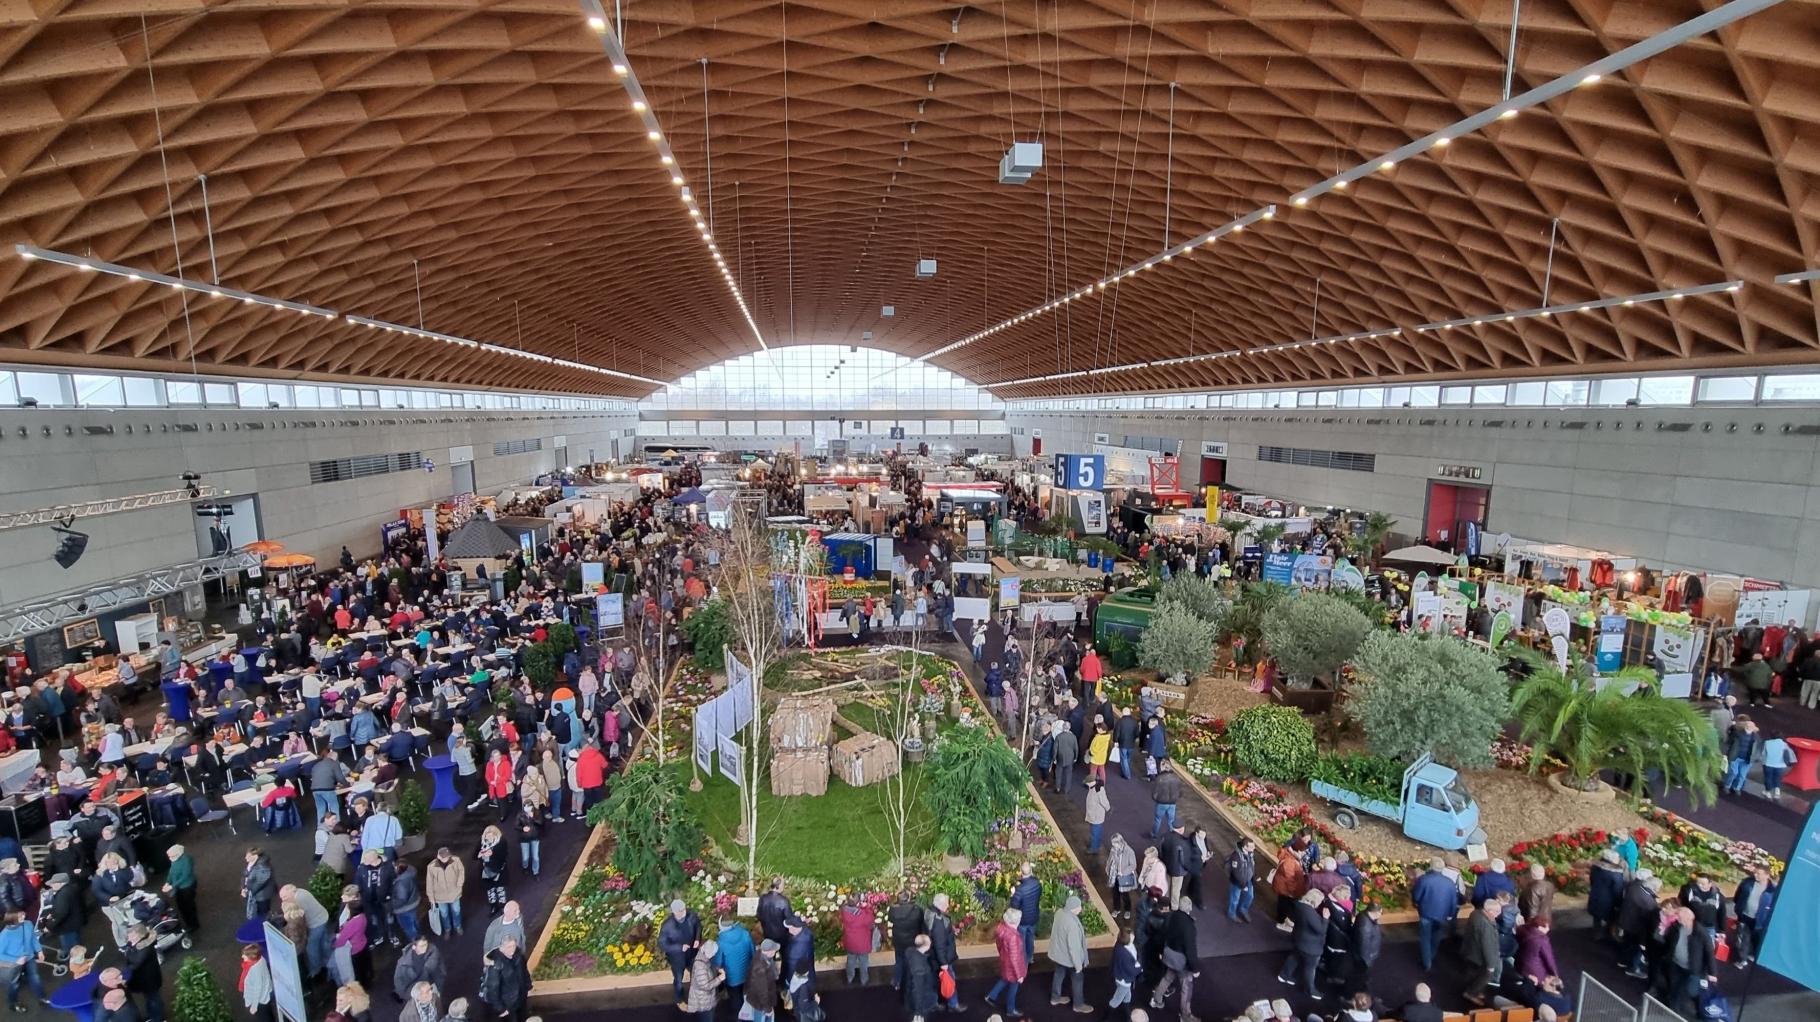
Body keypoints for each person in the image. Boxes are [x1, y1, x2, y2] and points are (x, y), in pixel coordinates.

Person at [1652, 907, 1717, 1015]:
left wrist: (1712, 973)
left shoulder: (1701, 933)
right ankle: (1673, 1008)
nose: (1679, 919)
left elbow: (1709, 952)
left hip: (1692, 968)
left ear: (1690, 918)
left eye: (1681, 917)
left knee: (1691, 990)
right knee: (1674, 986)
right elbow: (1668, 940)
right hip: (1676, 964)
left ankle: (1697, 1008)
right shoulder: (1676, 927)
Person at [1149, 900, 1199, 1022]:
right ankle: (1185, 1016)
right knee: (1186, 987)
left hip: (1168, 954)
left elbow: (1163, 934)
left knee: (1167, 978)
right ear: (1190, 908)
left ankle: (1156, 1000)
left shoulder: (1171, 916)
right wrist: (1195, 968)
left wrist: (1162, 951)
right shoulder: (1189, 925)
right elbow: (1190, 948)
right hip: (1181, 960)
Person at [1276, 889, 1328, 999]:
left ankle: (1284, 975)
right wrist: (1325, 918)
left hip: (1299, 939)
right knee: (1310, 968)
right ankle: (1310, 990)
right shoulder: (1310, 912)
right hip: (1310, 946)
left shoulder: (1299, 905)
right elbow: (1321, 929)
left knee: (1294, 957)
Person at [1411, 857, 1461, 971]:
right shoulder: (1450, 882)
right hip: (1442, 915)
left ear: (1431, 867)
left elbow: (1417, 896)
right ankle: (1431, 957)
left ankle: (1426, 962)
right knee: (1436, 937)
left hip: (1426, 913)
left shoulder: (1424, 880)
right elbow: (1454, 900)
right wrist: (1450, 914)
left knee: (1425, 938)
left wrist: (1416, 903)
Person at [1047, 895, 1090, 1013]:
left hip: (1058, 953)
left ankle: (1055, 997)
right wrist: (1078, 966)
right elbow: (1074, 948)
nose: (1080, 908)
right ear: (1073, 909)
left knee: (1059, 973)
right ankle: (1078, 1004)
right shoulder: (1072, 925)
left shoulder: (1060, 913)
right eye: (1079, 906)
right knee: (1078, 979)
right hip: (1068, 958)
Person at [985, 909, 1027, 1019]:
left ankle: (991, 996)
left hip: (1005, 962)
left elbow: (1000, 947)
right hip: (1012, 967)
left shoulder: (1002, 929)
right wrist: (1019, 976)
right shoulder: (1013, 937)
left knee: (1004, 979)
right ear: (1016, 921)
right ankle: (1010, 1009)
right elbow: (1015, 958)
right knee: (1013, 987)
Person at [1731, 866, 1778, 966]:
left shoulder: (1772, 891)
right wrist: (1738, 908)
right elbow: (1738, 895)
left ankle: (1753, 954)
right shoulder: (1747, 882)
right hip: (1745, 915)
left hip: (1759, 920)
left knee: (1756, 938)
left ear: (1767, 875)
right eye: (1755, 873)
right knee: (1743, 938)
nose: (1755, 875)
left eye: (1758, 874)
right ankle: (1742, 959)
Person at [0, 910, 45, 1014]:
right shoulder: (4, 935)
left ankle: (42, 998)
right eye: (20, 916)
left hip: (29, 958)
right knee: (14, 985)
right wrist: (16, 960)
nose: (24, 917)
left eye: (23, 914)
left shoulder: (28, 924)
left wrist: (39, 950)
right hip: (15, 964)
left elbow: (33, 938)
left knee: (35, 978)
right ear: (12, 919)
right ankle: (13, 1003)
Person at [658, 899, 701, 1006]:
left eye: (684, 909)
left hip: (692, 953)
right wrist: (679, 948)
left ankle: (695, 996)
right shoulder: (667, 926)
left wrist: (697, 939)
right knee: (678, 980)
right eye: (680, 911)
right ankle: (679, 999)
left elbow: (698, 926)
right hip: (677, 958)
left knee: (695, 976)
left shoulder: (691, 916)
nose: (683, 912)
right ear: (674, 912)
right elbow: (662, 944)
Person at [481, 935, 532, 1022]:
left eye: (514, 946)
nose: (512, 949)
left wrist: (528, 986)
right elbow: (492, 989)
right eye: (509, 947)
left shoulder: (518, 955)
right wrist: (501, 1009)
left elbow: (524, 972)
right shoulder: (495, 966)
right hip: (508, 1004)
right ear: (502, 947)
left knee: (523, 1018)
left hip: (521, 998)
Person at [1461, 898, 1502, 1006]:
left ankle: (1472, 989)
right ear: (1489, 911)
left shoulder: (1476, 913)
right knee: (1484, 976)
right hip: (1479, 956)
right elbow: (1487, 946)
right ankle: (1471, 993)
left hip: (1471, 951)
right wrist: (1491, 965)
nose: (1498, 915)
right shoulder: (1485, 926)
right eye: (1497, 912)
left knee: (1472, 973)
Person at [927, 894, 964, 1013]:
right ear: (942, 905)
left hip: (932, 955)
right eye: (947, 903)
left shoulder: (928, 912)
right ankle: (953, 1004)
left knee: (934, 979)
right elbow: (940, 944)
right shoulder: (939, 922)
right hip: (943, 958)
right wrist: (944, 962)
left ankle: (934, 1002)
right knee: (949, 980)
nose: (948, 905)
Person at [335, 886, 374, 987]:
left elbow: (342, 938)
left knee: (359, 969)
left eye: (346, 896)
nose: (342, 897)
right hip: (361, 942)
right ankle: (368, 978)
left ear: (354, 898)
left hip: (356, 947)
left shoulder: (356, 917)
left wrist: (336, 942)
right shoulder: (346, 905)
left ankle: (364, 984)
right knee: (364, 964)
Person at [887, 889, 924, 991]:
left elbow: (890, 918)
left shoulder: (893, 910)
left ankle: (897, 982)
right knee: (912, 962)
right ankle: (912, 983)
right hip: (912, 942)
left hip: (898, 941)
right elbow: (921, 922)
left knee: (899, 961)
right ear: (908, 899)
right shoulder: (917, 910)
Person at [1587, 849, 1628, 940]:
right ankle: (1609, 933)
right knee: (1610, 917)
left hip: (1595, 894)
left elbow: (1592, 880)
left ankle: (1597, 933)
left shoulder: (1595, 867)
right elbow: (1618, 890)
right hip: (1608, 900)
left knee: (1596, 917)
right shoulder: (1615, 873)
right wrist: (1618, 903)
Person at [393, 934, 445, 1007]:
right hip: (414, 988)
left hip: (430, 983)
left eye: (426, 945)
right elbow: (399, 981)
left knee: (435, 1003)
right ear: (414, 947)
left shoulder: (433, 952)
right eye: (421, 946)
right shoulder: (403, 963)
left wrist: (439, 988)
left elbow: (438, 971)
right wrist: (405, 995)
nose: (425, 948)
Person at [714, 915, 753, 1008]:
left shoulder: (721, 942)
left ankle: (739, 1016)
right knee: (747, 995)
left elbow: (718, 962)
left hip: (732, 977)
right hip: (747, 972)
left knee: (736, 999)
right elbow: (753, 952)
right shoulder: (745, 934)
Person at [426, 847, 466, 937]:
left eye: (447, 857)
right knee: (444, 913)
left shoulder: (456, 860)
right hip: (440, 896)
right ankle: (447, 928)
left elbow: (461, 871)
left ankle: (458, 926)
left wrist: (460, 883)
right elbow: (429, 883)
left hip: (454, 893)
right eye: (444, 857)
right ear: (438, 856)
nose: (446, 859)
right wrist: (431, 898)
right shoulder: (431, 867)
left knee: (456, 910)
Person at [839, 893, 876, 986]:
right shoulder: (863, 915)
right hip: (862, 944)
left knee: (850, 960)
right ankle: (864, 980)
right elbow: (871, 919)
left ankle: (850, 978)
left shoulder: (844, 912)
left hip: (850, 942)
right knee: (863, 962)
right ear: (858, 902)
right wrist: (866, 908)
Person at [902, 934, 939, 1022]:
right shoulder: (919, 967)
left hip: (913, 996)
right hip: (923, 1000)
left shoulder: (910, 952)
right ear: (925, 945)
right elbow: (918, 990)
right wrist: (918, 1012)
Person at [1009, 863, 1040, 964]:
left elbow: (1014, 905)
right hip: (1033, 917)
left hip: (1022, 920)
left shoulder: (1020, 890)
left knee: (1021, 940)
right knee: (1030, 939)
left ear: (1021, 873)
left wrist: (1012, 894)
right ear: (1031, 871)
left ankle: (1023, 962)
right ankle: (1030, 957)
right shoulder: (1037, 883)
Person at [684, 939, 723, 1022]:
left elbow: (708, 968)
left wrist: (716, 969)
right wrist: (720, 978)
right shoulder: (700, 967)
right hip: (704, 1001)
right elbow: (705, 986)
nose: (714, 955)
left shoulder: (703, 958)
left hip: (705, 999)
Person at [1108, 927, 1140, 1021]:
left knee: (1127, 997)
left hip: (1120, 976)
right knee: (1116, 1000)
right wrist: (1140, 968)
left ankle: (1127, 1017)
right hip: (1124, 980)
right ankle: (1106, 1018)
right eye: (1132, 935)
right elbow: (1131, 970)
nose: (1134, 936)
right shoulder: (1125, 954)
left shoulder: (1119, 945)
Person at [1515, 915, 1560, 980]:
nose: (1548, 929)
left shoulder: (1522, 931)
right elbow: (1548, 958)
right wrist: (1555, 974)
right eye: (1546, 927)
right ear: (1539, 927)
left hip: (1520, 966)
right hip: (1535, 971)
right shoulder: (1541, 939)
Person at [746, 939, 781, 1022]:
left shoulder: (761, 955)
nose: (775, 951)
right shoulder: (760, 969)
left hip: (760, 999)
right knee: (760, 1018)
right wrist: (768, 1009)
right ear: (768, 952)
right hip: (761, 1003)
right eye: (774, 950)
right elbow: (762, 992)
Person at [477, 827, 508, 917]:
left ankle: (502, 906)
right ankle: (493, 906)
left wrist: (492, 855)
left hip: (498, 870)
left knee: (500, 889)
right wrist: (480, 854)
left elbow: (504, 856)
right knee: (490, 890)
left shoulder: (501, 842)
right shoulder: (481, 842)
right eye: (487, 837)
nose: (488, 839)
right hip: (486, 870)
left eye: (491, 837)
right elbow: (474, 855)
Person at [1107, 833, 1138, 920]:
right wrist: (1108, 868)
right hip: (1115, 875)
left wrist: (1123, 872)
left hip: (1124, 877)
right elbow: (1110, 859)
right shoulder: (1113, 849)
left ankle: (1127, 910)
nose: (1113, 846)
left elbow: (1133, 865)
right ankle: (1117, 909)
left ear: (1120, 842)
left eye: (1115, 844)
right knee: (1115, 893)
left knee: (1125, 895)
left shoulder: (1129, 851)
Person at [242, 944, 275, 1022]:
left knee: (264, 1018)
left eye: (245, 955)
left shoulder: (254, 969)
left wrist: (254, 1006)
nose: (242, 956)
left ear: (252, 956)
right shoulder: (261, 959)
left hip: (261, 999)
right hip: (267, 994)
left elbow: (258, 989)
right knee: (268, 1015)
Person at [1226, 837, 1257, 922]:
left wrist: (1254, 876)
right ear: (1245, 847)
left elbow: (1252, 866)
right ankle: (1231, 913)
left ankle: (1243, 909)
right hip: (1238, 882)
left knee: (1250, 896)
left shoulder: (1251, 853)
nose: (1254, 848)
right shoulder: (1236, 856)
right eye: (1251, 846)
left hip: (1248, 880)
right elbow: (1236, 873)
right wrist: (1243, 885)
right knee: (1235, 899)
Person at [1759, 731, 1797, 799]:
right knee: (1777, 778)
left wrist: (1762, 761)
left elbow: (1764, 754)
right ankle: (1777, 792)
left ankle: (1768, 792)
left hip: (1768, 764)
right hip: (1780, 765)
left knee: (1768, 778)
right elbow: (1789, 753)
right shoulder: (1784, 744)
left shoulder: (1767, 743)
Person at [244, 847, 277, 921]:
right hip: (256, 892)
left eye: (248, 856)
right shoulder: (251, 864)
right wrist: (244, 887)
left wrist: (249, 890)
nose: (245, 857)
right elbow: (246, 875)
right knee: (258, 911)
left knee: (263, 912)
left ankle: (265, 923)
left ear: (255, 856)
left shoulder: (263, 866)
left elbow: (260, 882)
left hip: (263, 895)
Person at [1149, 762, 1181, 838]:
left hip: (1162, 803)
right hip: (1172, 803)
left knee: (1158, 819)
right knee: (1171, 820)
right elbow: (1181, 791)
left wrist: (1156, 799)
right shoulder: (1176, 778)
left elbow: (1154, 793)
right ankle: (1173, 836)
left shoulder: (1160, 778)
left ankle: (1154, 834)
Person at [1084, 778, 1110, 853]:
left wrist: (1108, 808)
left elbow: (1104, 802)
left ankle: (1094, 848)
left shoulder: (1099, 791)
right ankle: (1095, 845)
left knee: (1095, 833)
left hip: (1096, 816)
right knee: (1095, 832)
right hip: (1094, 815)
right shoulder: (1093, 788)